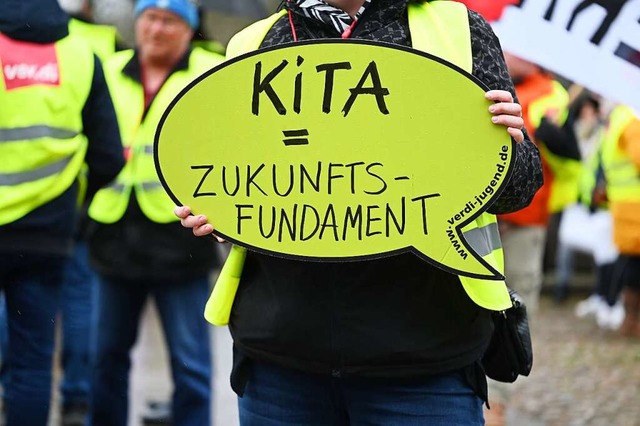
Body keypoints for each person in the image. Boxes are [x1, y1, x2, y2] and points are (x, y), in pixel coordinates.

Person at [176, 0, 542, 425]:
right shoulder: (252, 43)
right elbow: (239, 179)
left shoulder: (459, 30)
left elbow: (519, 185)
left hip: (424, 363)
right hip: (280, 364)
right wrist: (215, 214)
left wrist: (505, 149)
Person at [85, 1, 224, 425]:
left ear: (190, 28)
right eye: (150, 17)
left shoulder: (212, 70)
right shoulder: (109, 67)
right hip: (113, 231)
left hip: (179, 237)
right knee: (104, 359)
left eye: (170, 20)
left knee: (191, 365)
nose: (157, 29)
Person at [0, 0, 125, 424]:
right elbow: (109, 155)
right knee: (32, 364)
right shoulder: (79, 53)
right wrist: (76, 202)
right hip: (47, 235)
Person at [600, 105, 640, 338]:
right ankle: (631, 322)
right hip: (635, 206)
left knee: (631, 263)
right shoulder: (633, 118)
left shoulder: (619, 117)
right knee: (635, 266)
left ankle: (630, 321)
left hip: (625, 205)